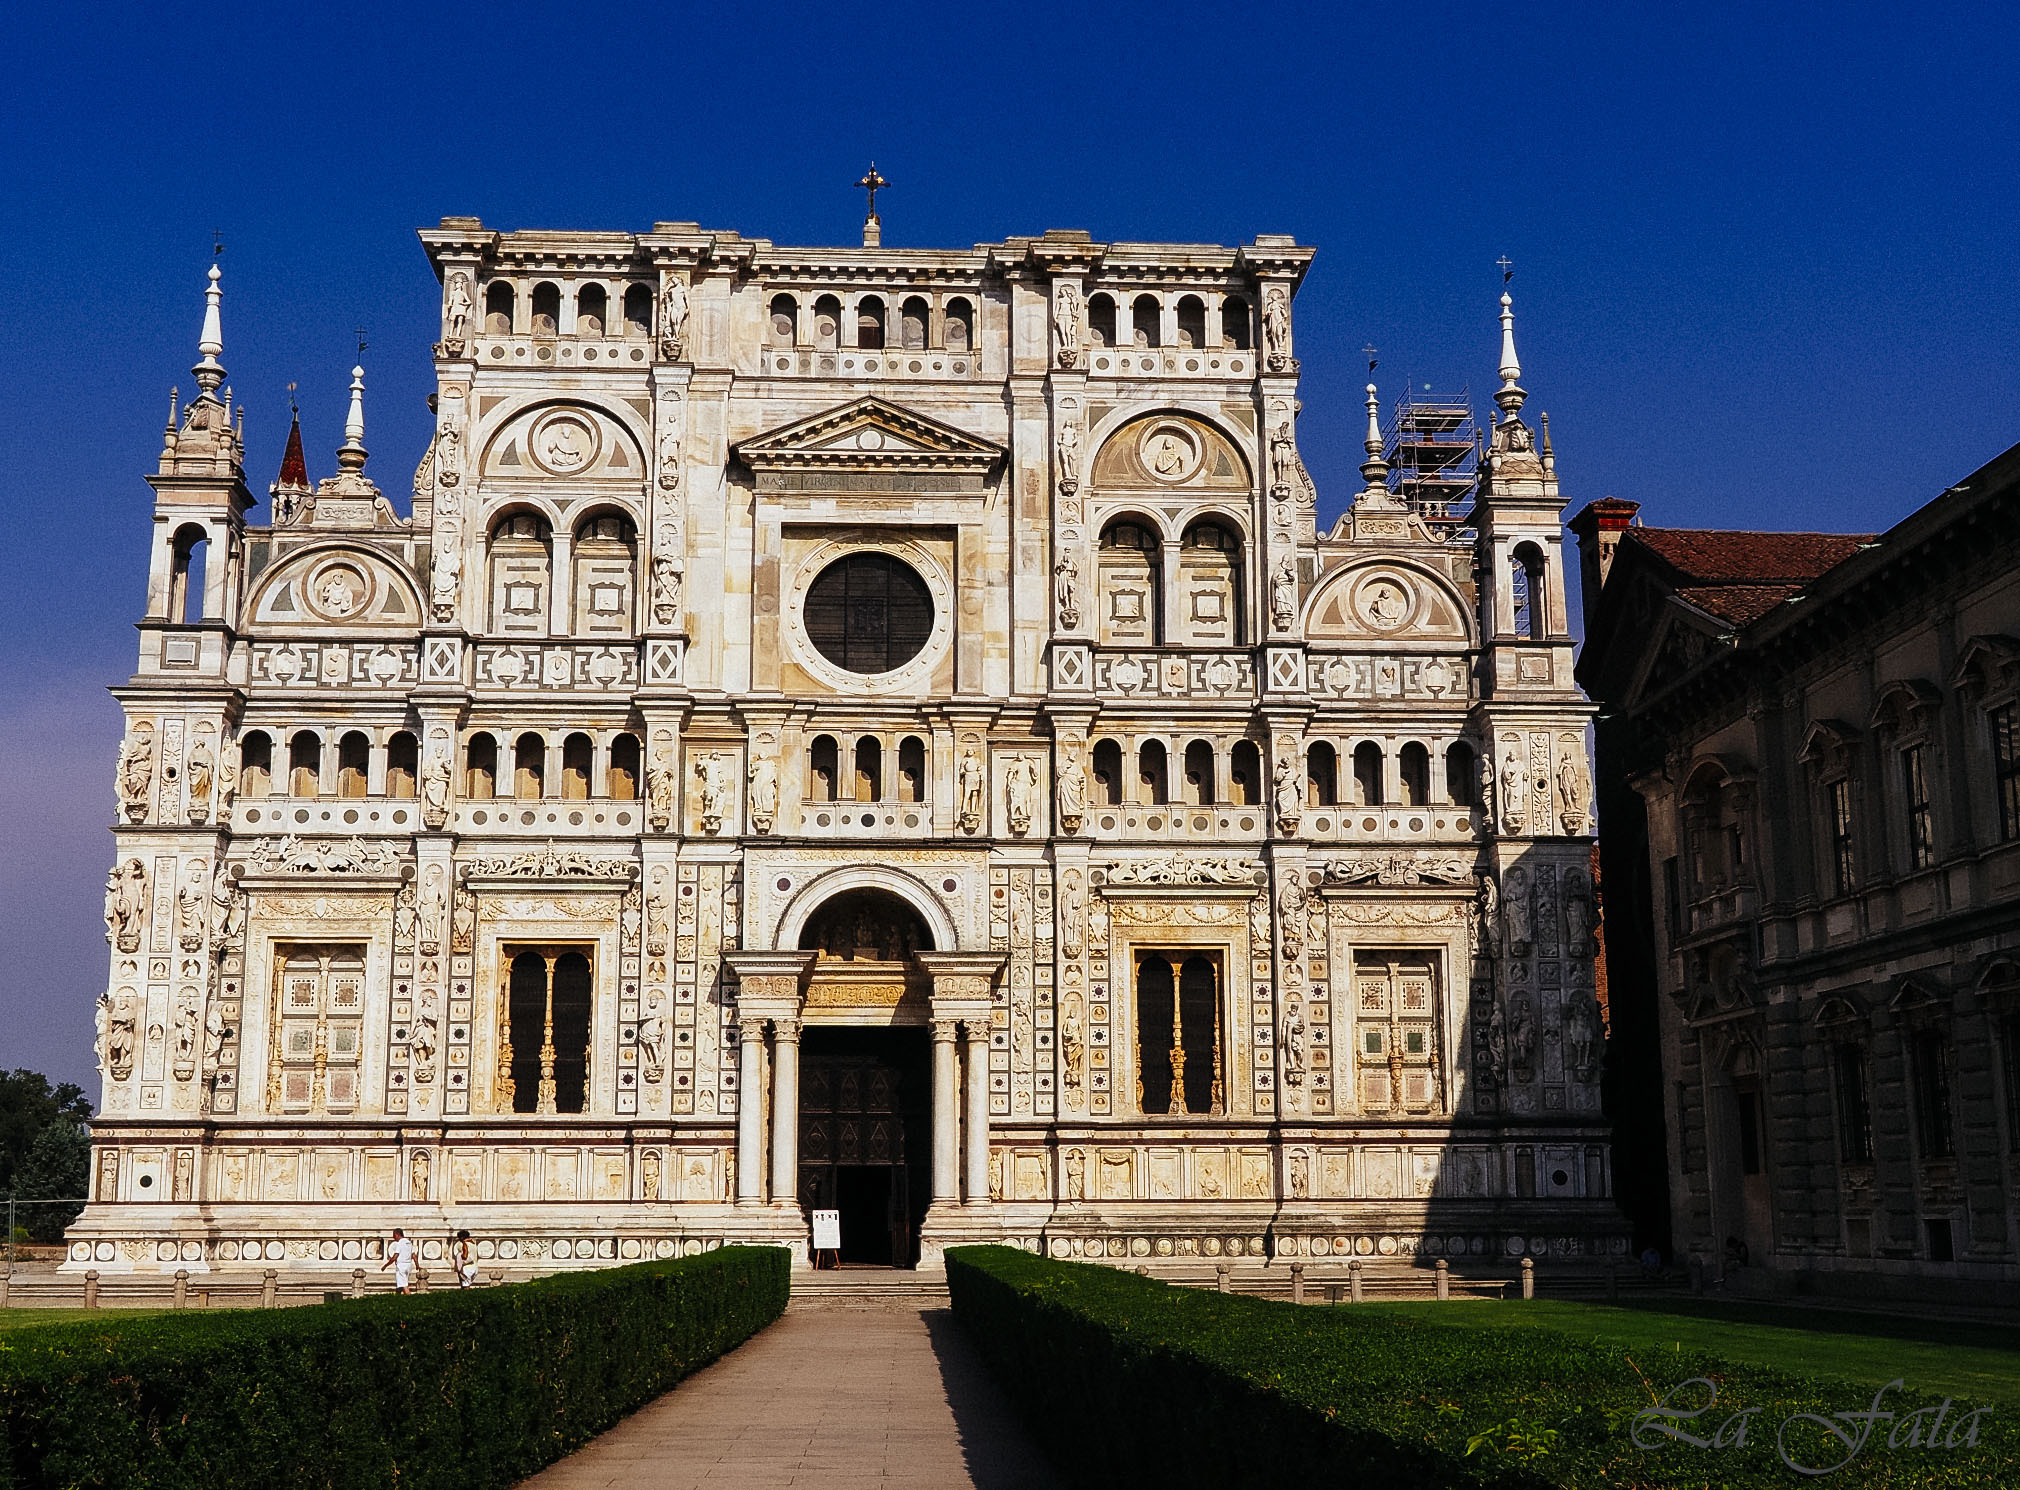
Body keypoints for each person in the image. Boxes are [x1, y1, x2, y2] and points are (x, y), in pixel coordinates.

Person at [381, 1227, 416, 1294]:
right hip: (408, 1265)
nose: (393, 1237)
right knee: (401, 1283)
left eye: (394, 1235)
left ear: (397, 1234)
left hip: (401, 1266)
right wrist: (417, 1265)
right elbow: (414, 1256)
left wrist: (385, 1266)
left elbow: (394, 1257)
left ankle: (410, 1299)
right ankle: (398, 1297)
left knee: (404, 1285)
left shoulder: (400, 1243)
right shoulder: (409, 1243)